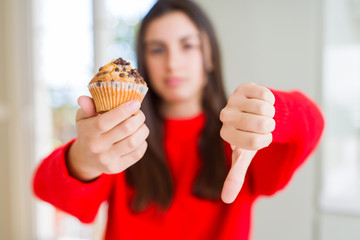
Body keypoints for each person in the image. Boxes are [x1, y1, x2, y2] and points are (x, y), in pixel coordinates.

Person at [33, 0, 325, 239]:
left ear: (208, 55)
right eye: (157, 49)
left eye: (187, 45)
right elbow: (46, 188)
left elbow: (311, 123)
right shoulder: (122, 137)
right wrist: (82, 159)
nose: (172, 63)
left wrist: (271, 113)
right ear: (144, 61)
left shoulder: (242, 140)